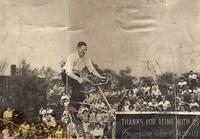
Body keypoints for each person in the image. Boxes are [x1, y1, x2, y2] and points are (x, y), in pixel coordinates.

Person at [63, 41, 106, 109]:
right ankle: (70, 106)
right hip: (67, 74)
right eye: (83, 49)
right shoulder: (72, 57)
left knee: (81, 95)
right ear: (78, 48)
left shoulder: (87, 59)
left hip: (76, 75)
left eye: (86, 50)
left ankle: (76, 112)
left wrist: (101, 77)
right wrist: (79, 79)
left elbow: (92, 70)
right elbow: (68, 72)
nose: (84, 51)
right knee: (76, 89)